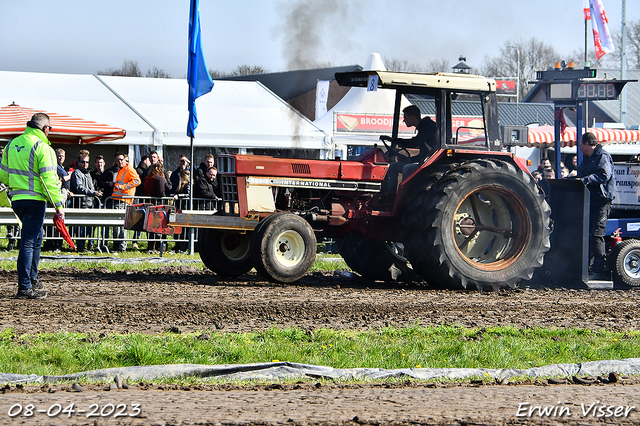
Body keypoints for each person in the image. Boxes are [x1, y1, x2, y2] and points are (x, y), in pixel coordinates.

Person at [0, 113, 65, 299]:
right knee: (29, 241)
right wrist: (58, 206)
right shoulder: (43, 147)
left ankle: (33, 279)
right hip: (35, 200)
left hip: (17, 200)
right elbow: (50, 180)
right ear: (45, 128)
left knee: (36, 238)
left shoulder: (12, 145)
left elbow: (3, 176)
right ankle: (25, 286)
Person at [577, 132, 616, 280]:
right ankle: (586, 267)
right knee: (587, 235)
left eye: (581, 144)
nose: (580, 148)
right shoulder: (588, 158)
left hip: (601, 201)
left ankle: (598, 270)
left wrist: (585, 180)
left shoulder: (602, 156)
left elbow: (604, 175)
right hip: (589, 200)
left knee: (596, 234)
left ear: (587, 144)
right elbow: (581, 173)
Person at [379, 105, 439, 199]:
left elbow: (414, 143)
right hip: (425, 159)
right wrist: (411, 158)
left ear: (412, 117)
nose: (404, 120)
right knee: (394, 166)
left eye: (405, 117)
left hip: (431, 162)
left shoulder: (427, 126)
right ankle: (389, 194)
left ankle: (404, 197)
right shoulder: (424, 127)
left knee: (407, 168)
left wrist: (394, 140)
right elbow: (424, 151)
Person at [70, 150, 102, 251]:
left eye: (87, 162)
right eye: (83, 162)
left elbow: (91, 187)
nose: (85, 164)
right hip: (80, 204)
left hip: (90, 204)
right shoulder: (76, 173)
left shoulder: (88, 174)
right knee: (80, 228)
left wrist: (96, 193)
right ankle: (80, 247)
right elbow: (79, 187)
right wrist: (92, 193)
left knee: (89, 228)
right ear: (78, 162)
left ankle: (88, 245)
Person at [110, 153, 140, 252]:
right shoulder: (119, 170)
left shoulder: (129, 169)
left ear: (125, 160)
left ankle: (121, 247)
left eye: (121, 159)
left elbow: (137, 181)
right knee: (116, 225)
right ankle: (116, 245)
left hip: (124, 200)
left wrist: (123, 187)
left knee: (122, 225)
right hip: (117, 200)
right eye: (117, 160)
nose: (119, 162)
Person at [143, 163, 167, 253]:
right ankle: (155, 247)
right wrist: (165, 197)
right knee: (156, 227)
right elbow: (161, 193)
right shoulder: (159, 179)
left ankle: (150, 246)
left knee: (149, 227)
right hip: (156, 206)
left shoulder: (147, 178)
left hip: (148, 205)